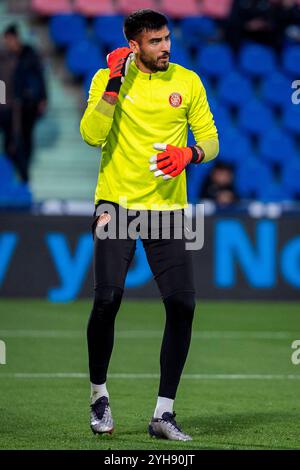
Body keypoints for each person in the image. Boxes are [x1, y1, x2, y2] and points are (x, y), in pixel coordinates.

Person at [80, 9, 219, 441]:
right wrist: (114, 84)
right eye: (156, 41)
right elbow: (91, 135)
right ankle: (98, 396)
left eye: (167, 39)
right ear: (134, 45)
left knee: (183, 306)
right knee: (108, 298)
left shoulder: (188, 81)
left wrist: (189, 155)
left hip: (167, 210)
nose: (166, 47)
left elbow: (211, 140)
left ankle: (164, 413)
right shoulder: (108, 79)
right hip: (116, 204)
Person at [0, 24, 47, 183]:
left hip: (26, 106)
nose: (8, 43)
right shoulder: (5, 57)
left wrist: (42, 98)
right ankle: (14, 173)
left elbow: (39, 78)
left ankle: (23, 174)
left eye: (9, 39)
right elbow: (2, 84)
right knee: (10, 142)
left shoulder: (28, 54)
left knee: (24, 139)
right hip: (8, 108)